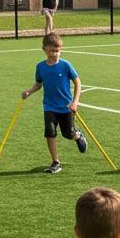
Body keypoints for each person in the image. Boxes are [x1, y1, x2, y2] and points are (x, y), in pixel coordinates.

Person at [21, 32, 88, 174]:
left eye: (57, 51)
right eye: (51, 51)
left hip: (66, 107)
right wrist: (29, 91)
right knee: (49, 132)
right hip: (49, 107)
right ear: (44, 50)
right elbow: (38, 84)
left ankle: (77, 135)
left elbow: (78, 82)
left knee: (68, 133)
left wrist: (75, 102)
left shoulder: (65, 65)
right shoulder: (40, 67)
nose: (54, 54)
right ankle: (56, 162)